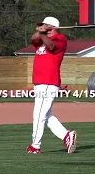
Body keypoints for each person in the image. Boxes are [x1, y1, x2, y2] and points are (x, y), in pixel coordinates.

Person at [26, 16, 77, 154]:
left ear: (52, 27)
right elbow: (34, 39)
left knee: (39, 114)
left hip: (49, 81)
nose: (41, 27)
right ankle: (67, 135)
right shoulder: (40, 40)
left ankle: (35, 146)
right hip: (40, 82)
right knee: (45, 115)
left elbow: (52, 47)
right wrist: (41, 31)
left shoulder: (60, 38)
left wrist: (43, 33)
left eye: (44, 25)